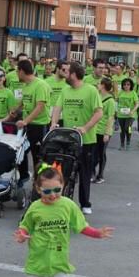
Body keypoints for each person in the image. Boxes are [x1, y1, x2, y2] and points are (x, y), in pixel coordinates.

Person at [12, 165, 113, 277]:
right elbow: (25, 225)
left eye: (57, 190)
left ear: (63, 185)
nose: (52, 195)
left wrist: (97, 233)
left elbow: (81, 226)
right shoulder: (35, 207)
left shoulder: (68, 205)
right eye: (47, 191)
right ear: (37, 188)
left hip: (59, 259)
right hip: (38, 258)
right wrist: (21, 234)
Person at [49, 62, 102, 216]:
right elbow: (58, 108)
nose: (64, 74)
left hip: (86, 140)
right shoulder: (65, 91)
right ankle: (60, 200)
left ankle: (85, 203)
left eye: (67, 71)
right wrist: (54, 124)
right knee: (63, 171)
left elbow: (98, 112)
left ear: (74, 74)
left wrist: (85, 128)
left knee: (84, 172)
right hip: (68, 138)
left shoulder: (90, 90)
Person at [15, 59, 51, 186]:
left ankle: (39, 183)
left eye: (17, 71)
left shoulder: (41, 85)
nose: (16, 74)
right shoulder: (25, 85)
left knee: (38, 156)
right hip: (27, 125)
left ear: (21, 71)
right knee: (20, 151)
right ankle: (24, 175)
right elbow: (24, 101)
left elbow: (40, 106)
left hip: (39, 125)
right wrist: (15, 110)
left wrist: (25, 121)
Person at [91, 78, 116, 184]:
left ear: (104, 86)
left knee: (101, 154)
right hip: (95, 129)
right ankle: (91, 173)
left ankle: (100, 175)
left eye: (99, 83)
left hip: (104, 130)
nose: (98, 85)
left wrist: (107, 132)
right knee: (93, 153)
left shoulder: (110, 100)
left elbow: (111, 117)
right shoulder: (98, 96)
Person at [115, 78, 137, 151]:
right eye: (124, 84)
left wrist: (132, 111)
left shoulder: (133, 93)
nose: (126, 86)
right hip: (121, 114)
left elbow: (137, 104)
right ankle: (122, 144)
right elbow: (116, 101)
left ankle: (128, 142)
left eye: (128, 84)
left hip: (130, 115)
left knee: (128, 128)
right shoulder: (120, 92)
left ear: (131, 85)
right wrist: (115, 110)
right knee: (123, 129)